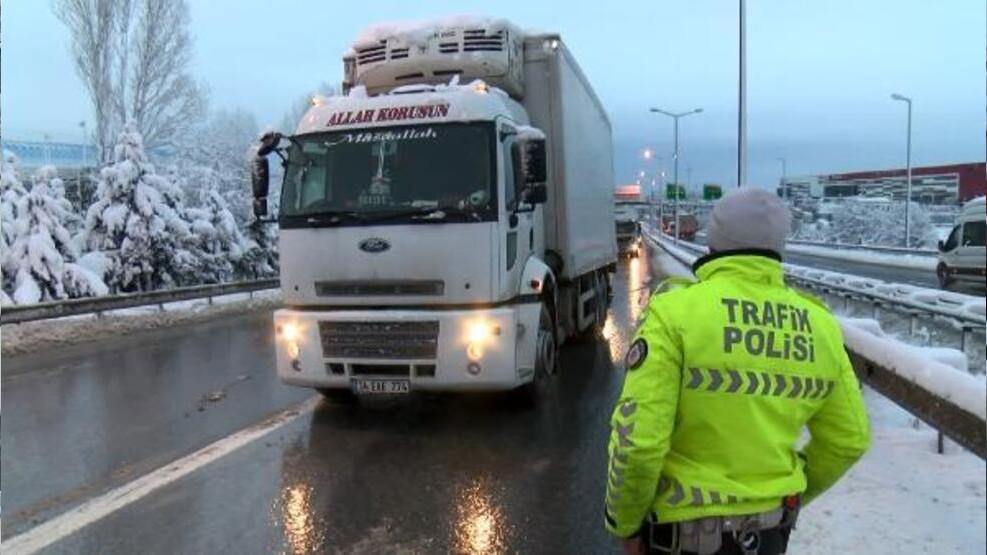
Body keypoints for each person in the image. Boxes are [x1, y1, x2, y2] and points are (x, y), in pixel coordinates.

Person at [604, 188, 870, 555]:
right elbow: (849, 438)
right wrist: (783, 493)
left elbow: (638, 441)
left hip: (683, 540)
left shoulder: (675, 314)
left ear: (713, 244)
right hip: (769, 536)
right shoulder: (819, 325)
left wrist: (626, 523)